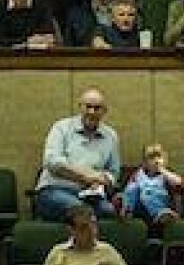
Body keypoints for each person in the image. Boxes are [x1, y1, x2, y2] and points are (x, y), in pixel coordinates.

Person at [33, 89, 122, 221]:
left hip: (90, 195)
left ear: (104, 111)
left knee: (109, 211)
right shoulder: (61, 128)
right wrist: (85, 177)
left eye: (97, 108)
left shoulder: (111, 136)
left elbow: (113, 172)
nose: (92, 112)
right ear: (80, 107)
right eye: (88, 107)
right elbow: (52, 162)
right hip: (55, 190)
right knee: (81, 211)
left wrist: (103, 179)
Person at [121, 143, 183, 230]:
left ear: (165, 159)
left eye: (159, 157)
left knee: (149, 196)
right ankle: (126, 209)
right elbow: (129, 189)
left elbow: (178, 182)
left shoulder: (165, 174)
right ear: (144, 162)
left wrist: (162, 170)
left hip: (160, 204)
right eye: (151, 158)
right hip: (140, 206)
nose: (156, 161)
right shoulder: (139, 174)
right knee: (133, 189)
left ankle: (162, 215)